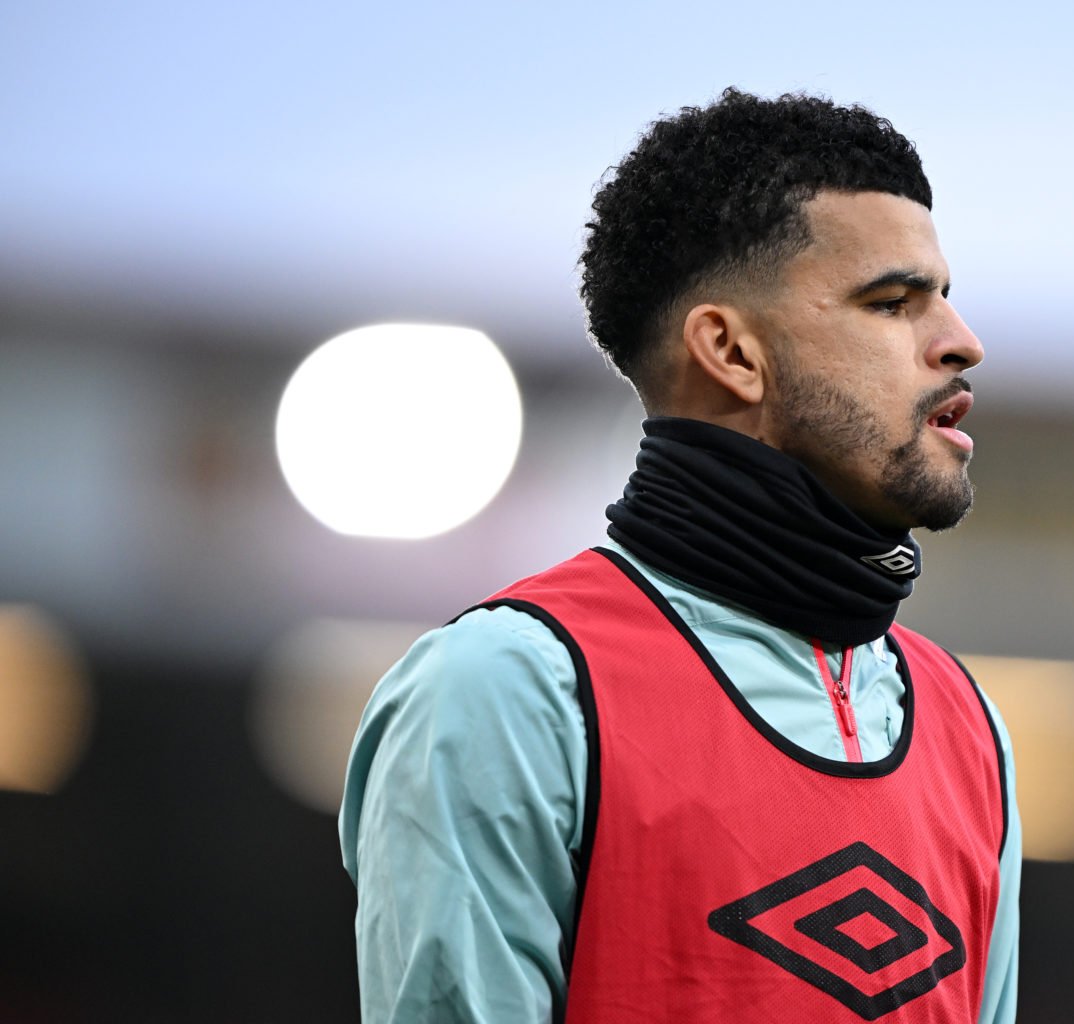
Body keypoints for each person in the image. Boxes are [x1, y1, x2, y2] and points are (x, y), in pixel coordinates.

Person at [339, 87, 1020, 1023]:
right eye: (893, 301)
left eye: (945, 298)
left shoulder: (970, 732)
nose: (962, 343)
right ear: (732, 352)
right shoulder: (509, 690)